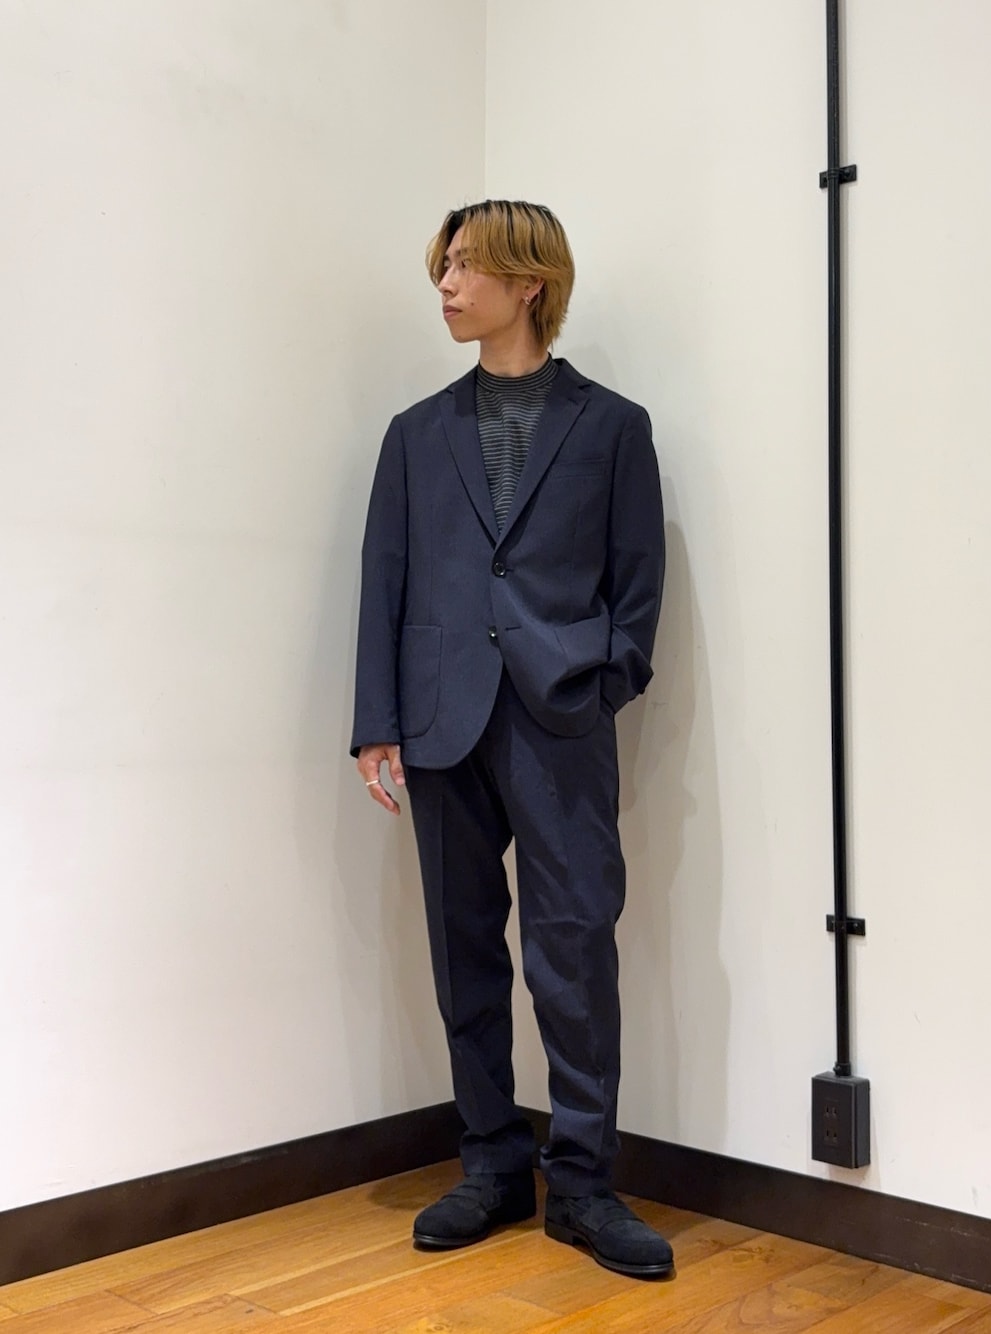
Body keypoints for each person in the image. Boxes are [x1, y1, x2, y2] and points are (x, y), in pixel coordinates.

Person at [351, 200, 672, 1280]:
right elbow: (385, 581)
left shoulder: (612, 426)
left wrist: (603, 679)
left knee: (574, 949)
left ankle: (583, 1184)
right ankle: (491, 1164)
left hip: (560, 717)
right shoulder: (414, 434)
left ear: (528, 282)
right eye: (441, 268)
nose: (444, 287)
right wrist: (376, 722)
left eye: (463, 267)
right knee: (465, 954)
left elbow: (638, 582)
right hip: (441, 721)